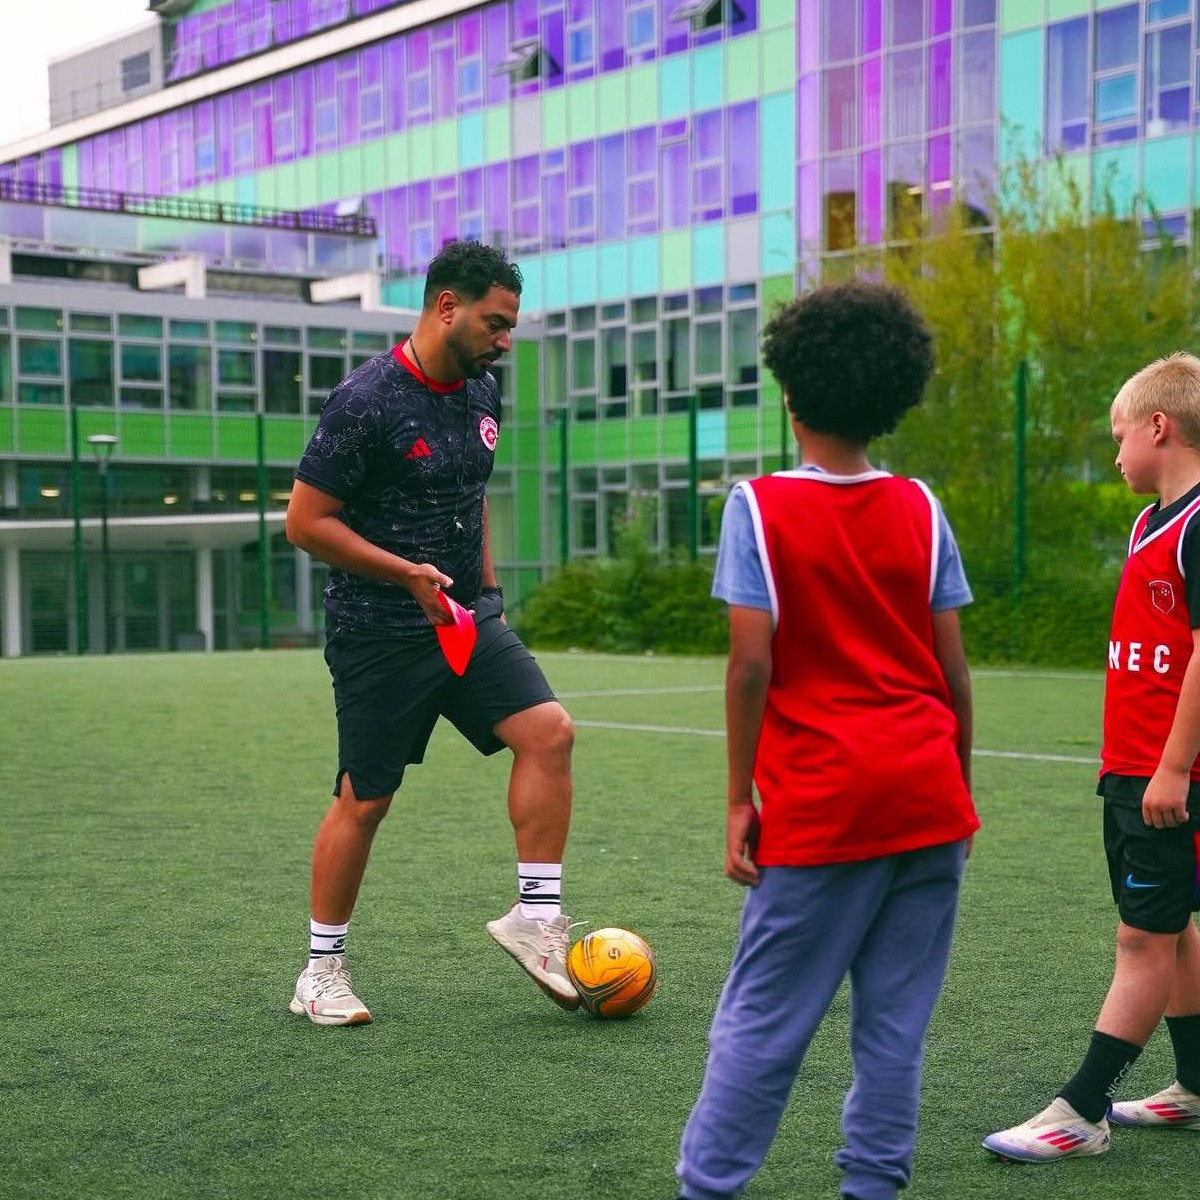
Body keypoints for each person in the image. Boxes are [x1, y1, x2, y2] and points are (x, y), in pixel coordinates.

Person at [675, 280, 979, 1200]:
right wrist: (955, 790)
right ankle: (872, 1189)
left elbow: (750, 667)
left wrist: (738, 799)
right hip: (930, 801)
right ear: (892, 395)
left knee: (762, 1023)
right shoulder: (922, 507)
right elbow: (954, 673)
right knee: (894, 1027)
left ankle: (707, 1188)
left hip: (823, 803)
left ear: (790, 392)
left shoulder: (757, 507)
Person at [284, 239, 578, 1026]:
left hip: (466, 620)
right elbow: (306, 524)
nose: (505, 339)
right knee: (365, 802)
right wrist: (403, 572)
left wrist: (487, 597)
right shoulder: (365, 400)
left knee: (549, 731)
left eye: (511, 325)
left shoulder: (483, 392)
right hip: (379, 631)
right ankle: (321, 971)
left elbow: (471, 495)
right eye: (495, 321)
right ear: (446, 305)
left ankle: (536, 920)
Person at [983, 352, 1200, 1162]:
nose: (1114, 454)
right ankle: (1195, 1086)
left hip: (1168, 780)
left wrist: (1173, 766)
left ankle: (1082, 1110)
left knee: (1140, 940)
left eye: (1119, 436)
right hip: (1132, 771)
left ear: (1159, 427)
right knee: (1170, 928)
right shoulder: (1150, 522)